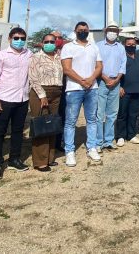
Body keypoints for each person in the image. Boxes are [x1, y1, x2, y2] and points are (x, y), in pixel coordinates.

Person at [0, 27, 32, 180]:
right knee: (0, 132)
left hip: (22, 99)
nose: (19, 41)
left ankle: (14, 159)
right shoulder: (0, 56)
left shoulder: (29, 54)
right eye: (16, 38)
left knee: (18, 131)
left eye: (22, 38)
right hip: (4, 99)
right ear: (10, 39)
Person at [61, 21, 103, 165]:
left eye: (85, 29)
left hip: (92, 88)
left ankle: (92, 147)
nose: (83, 31)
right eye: (80, 30)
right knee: (71, 121)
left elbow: (99, 66)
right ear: (75, 31)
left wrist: (90, 79)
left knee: (92, 119)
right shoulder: (68, 47)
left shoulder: (94, 47)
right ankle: (70, 151)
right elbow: (66, 69)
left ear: (88, 31)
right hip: (74, 89)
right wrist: (81, 81)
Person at [28, 33, 63, 172]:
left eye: (52, 41)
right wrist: (42, 95)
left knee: (52, 124)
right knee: (41, 125)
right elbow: (33, 78)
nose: (49, 43)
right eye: (46, 41)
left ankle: (49, 157)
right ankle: (40, 161)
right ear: (42, 43)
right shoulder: (36, 57)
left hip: (56, 91)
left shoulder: (59, 57)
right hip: (40, 92)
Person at [96, 21, 126, 152]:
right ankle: (98, 141)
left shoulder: (121, 47)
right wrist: (105, 77)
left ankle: (108, 140)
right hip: (101, 81)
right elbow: (95, 64)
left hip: (116, 82)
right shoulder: (97, 46)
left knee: (112, 113)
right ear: (105, 31)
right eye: (110, 30)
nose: (112, 32)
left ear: (118, 33)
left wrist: (117, 79)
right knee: (99, 113)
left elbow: (123, 65)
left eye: (115, 30)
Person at [116, 37, 139, 146]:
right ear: (124, 45)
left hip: (137, 90)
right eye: (129, 44)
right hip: (124, 90)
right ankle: (120, 136)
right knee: (122, 114)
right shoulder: (121, 56)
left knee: (133, 114)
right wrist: (119, 86)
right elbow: (116, 71)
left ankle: (131, 134)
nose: (131, 46)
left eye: (133, 44)